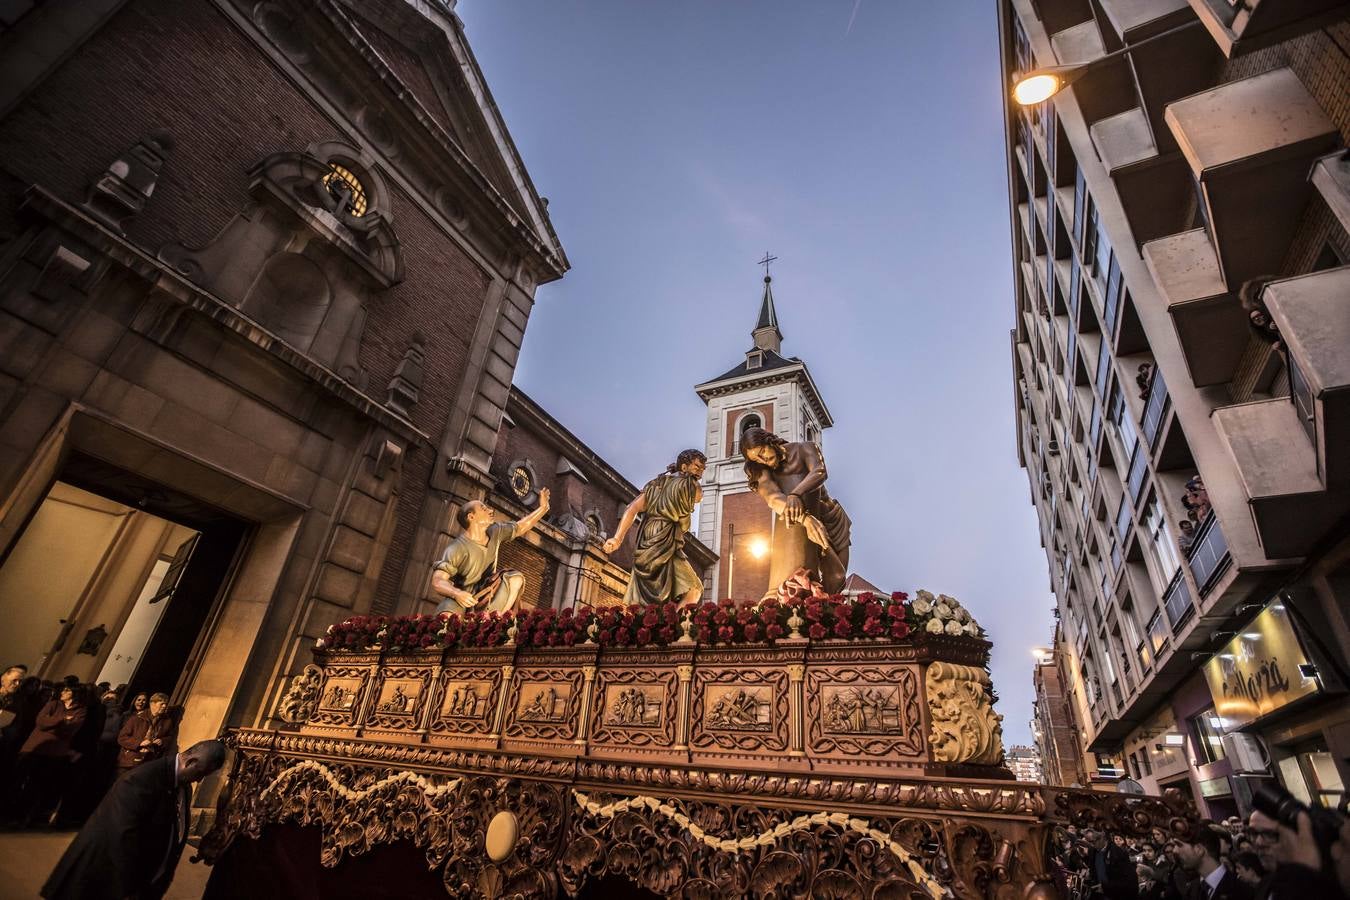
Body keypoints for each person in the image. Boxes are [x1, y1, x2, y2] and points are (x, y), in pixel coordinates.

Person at [42, 739, 228, 900]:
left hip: (142, 883)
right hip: (104, 880)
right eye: (201, 773)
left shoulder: (184, 787)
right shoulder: (141, 779)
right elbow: (122, 837)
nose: (199, 780)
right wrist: (128, 890)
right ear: (191, 761)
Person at [740, 427, 852, 595]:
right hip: (805, 523)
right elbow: (772, 496)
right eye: (757, 458)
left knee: (837, 580)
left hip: (832, 518)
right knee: (833, 576)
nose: (763, 459)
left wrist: (795, 494)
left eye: (762, 451)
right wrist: (805, 519)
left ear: (770, 441)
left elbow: (820, 472)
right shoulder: (762, 471)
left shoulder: (805, 448)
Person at [604, 450, 706, 605]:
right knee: (694, 588)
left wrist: (618, 538)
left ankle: (653, 624)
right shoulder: (689, 484)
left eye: (702, 470)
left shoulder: (656, 484)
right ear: (684, 467)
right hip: (666, 536)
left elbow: (632, 508)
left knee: (648, 597)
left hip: (648, 535)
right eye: (697, 467)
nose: (700, 473)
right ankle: (675, 626)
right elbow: (697, 498)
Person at [431, 489, 550, 615]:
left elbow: (521, 526)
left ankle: (495, 620)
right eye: (483, 509)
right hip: (464, 598)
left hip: (487, 593)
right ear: (471, 517)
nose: (490, 511)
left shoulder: (495, 531)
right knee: (446, 616)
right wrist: (457, 594)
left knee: (515, 578)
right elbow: (437, 580)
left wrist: (543, 508)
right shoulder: (456, 548)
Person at [11, 682, 88, 827]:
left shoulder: (81, 710)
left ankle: (26, 817)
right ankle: (12, 813)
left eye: (67, 690)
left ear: (75, 693)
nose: (63, 692)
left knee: (39, 785)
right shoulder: (53, 704)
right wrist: (62, 720)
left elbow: (70, 731)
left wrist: (53, 725)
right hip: (35, 748)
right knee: (21, 781)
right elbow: (40, 722)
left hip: (54, 753)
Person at [1175, 822, 1251, 900]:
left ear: (1199, 849)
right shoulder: (1192, 890)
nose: (1175, 851)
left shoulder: (1240, 891)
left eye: (1179, 845)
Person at [117, 692, 178, 774]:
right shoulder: (137, 718)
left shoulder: (167, 721)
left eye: (166, 704)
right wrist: (140, 743)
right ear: (152, 704)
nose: (164, 706)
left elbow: (170, 737)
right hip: (129, 762)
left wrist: (162, 741)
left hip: (147, 763)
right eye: (162, 704)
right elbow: (122, 737)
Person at [1085, 827, 1140, 900]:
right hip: (1099, 894)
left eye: (1093, 842)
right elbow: (1094, 870)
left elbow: (1129, 882)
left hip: (1115, 895)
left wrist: (1106, 887)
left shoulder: (1118, 853)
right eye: (1088, 842)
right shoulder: (1092, 851)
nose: (1091, 845)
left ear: (1102, 837)